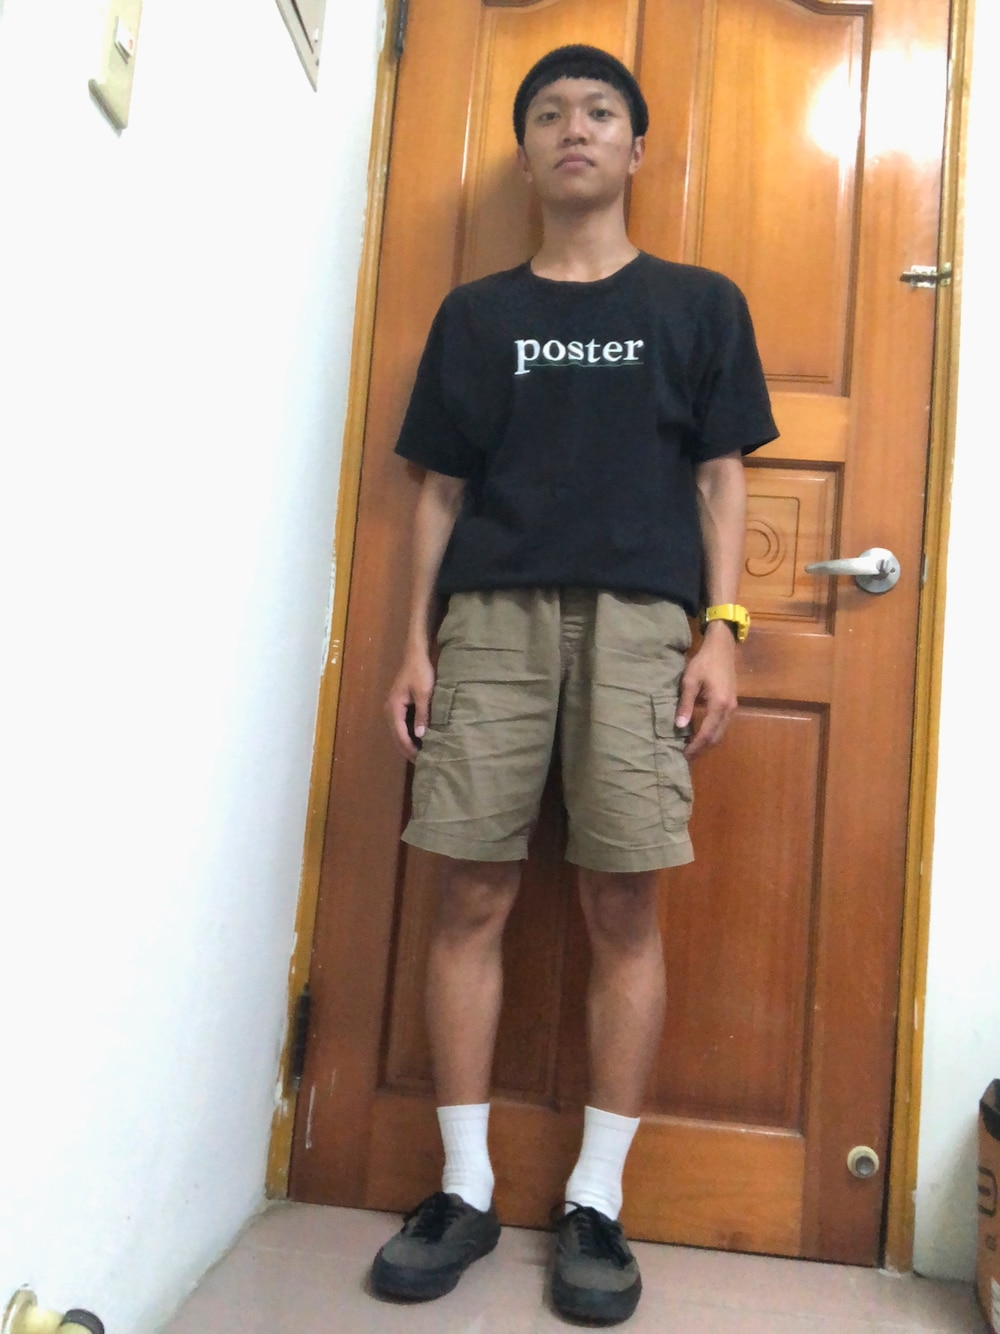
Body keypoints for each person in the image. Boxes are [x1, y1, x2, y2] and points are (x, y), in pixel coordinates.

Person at [369, 44, 777, 1325]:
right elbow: (438, 491)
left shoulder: (699, 304)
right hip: (490, 620)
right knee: (468, 891)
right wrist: (412, 642)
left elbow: (721, 477)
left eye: (600, 111)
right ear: (528, 151)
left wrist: (723, 630)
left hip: (645, 625)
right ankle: (465, 1184)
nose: (574, 129)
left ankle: (596, 1196)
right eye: (548, 113)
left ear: (635, 147)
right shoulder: (475, 315)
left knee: (621, 901)